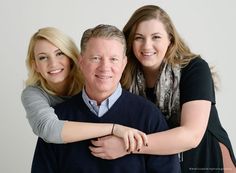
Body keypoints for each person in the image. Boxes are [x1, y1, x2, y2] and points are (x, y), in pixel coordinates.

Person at [89, 5, 236, 172]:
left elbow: (191, 135)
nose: (147, 46)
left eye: (156, 37)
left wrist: (127, 146)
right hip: (162, 162)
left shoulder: (194, 69)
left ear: (170, 40)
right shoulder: (121, 74)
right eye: (139, 37)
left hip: (204, 157)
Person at [31, 24, 180, 173]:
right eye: (96, 58)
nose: (104, 67)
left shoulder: (148, 116)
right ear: (81, 62)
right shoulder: (58, 119)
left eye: (113, 59)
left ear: (123, 64)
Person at [21, 27, 148, 152]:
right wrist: (114, 129)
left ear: (71, 57)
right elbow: (49, 130)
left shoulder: (96, 78)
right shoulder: (33, 94)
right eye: (43, 57)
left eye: (59, 53)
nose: (53, 64)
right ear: (35, 65)